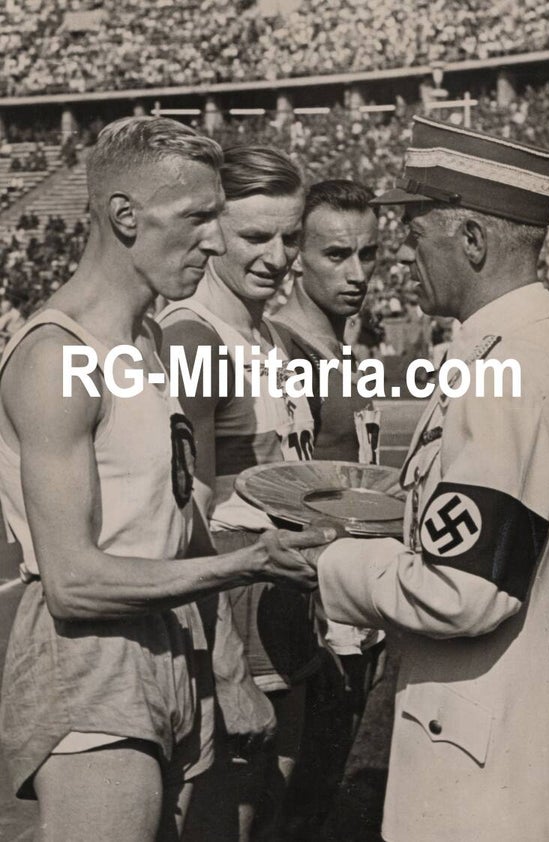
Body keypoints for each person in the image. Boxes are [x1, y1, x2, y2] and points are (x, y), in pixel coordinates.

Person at [0, 117, 331, 842]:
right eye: (198, 218)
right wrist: (237, 566)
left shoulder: (147, 339)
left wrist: (222, 667)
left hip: (175, 638)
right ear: (125, 216)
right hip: (92, 655)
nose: (214, 240)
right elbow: (72, 580)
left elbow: (177, 518)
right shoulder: (59, 356)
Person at [277, 116, 549, 842]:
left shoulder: (506, 375)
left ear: (474, 242)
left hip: (484, 760)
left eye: (418, 239)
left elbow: (464, 590)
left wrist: (332, 564)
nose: (403, 264)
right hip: (542, 737)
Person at [158, 145, 318, 840]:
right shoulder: (192, 336)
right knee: (234, 820)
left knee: (274, 810)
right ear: (212, 231)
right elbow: (182, 517)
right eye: (256, 237)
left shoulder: (271, 335)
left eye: (289, 236)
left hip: (284, 603)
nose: (279, 256)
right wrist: (226, 671)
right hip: (231, 610)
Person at [271, 178, 387, 837]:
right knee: (307, 806)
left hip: (362, 607)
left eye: (368, 254)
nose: (358, 273)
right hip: (322, 619)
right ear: (297, 256)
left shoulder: (348, 350)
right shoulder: (288, 352)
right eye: (336, 255)